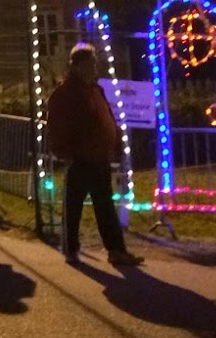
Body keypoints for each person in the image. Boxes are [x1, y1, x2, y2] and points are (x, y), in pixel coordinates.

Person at [45, 44, 143, 266]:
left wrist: (112, 143)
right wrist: (67, 152)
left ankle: (116, 250)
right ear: (78, 66)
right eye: (91, 63)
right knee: (74, 205)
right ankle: (70, 246)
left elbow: (104, 117)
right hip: (81, 157)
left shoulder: (95, 90)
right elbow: (58, 125)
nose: (95, 67)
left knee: (105, 206)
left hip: (99, 157)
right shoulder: (66, 93)